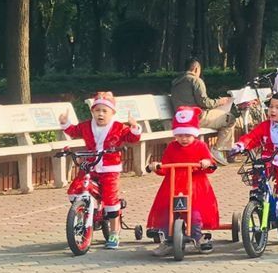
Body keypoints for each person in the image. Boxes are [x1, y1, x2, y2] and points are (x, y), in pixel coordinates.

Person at [58, 91, 142, 249]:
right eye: (97, 110)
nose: (100, 114)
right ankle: (85, 210)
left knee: (110, 199)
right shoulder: (86, 126)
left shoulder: (118, 127)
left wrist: (134, 127)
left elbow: (132, 138)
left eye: (104, 111)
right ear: (92, 112)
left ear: (112, 112)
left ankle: (114, 232)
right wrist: (65, 123)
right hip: (90, 165)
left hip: (110, 168)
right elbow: (74, 131)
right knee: (76, 189)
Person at [147, 107, 220, 256]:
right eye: (180, 135)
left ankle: (198, 238)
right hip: (173, 184)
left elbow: (210, 164)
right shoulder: (172, 147)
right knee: (167, 212)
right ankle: (168, 240)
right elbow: (165, 167)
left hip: (195, 186)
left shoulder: (200, 146)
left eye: (187, 135)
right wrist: (156, 166)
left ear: (194, 133)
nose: (184, 139)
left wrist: (206, 162)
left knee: (194, 214)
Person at [230, 90, 278, 229]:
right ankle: (258, 196)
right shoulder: (265, 125)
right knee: (257, 172)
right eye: (270, 107)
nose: (272, 110)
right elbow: (253, 136)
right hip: (268, 159)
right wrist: (240, 145)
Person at [170, 58, 234, 165]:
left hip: (180, 120)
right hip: (197, 118)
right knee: (230, 118)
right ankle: (218, 149)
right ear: (196, 69)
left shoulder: (176, 83)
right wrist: (220, 102)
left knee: (222, 117)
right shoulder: (196, 80)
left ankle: (223, 152)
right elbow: (204, 102)